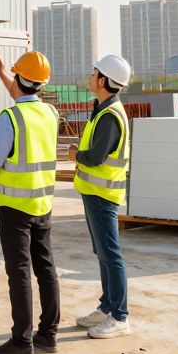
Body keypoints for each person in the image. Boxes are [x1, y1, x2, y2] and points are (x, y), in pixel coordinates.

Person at [0, 50, 60, 354]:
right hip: (42, 204)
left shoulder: (10, 117)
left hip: (14, 207)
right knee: (45, 268)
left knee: (19, 271)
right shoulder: (50, 113)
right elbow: (21, 91)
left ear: (19, 78)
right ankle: (47, 334)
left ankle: (21, 342)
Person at [68, 54, 133, 339]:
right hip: (94, 192)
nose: (90, 76)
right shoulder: (102, 108)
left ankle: (120, 317)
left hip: (102, 194)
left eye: (94, 73)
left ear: (104, 80)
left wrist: (75, 155)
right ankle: (107, 307)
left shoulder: (109, 115)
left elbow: (95, 157)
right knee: (103, 253)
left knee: (111, 255)